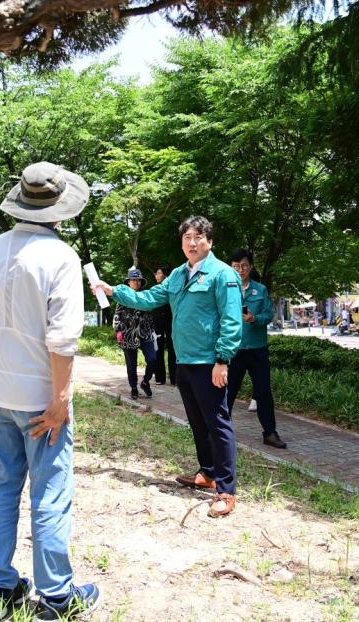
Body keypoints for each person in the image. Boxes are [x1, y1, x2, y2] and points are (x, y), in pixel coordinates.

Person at [0, 161, 101, 622]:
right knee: (50, 492)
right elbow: (62, 341)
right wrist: (61, 401)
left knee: (3, 486)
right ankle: (57, 597)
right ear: (59, 209)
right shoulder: (61, 256)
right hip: (43, 399)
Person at [95, 215, 242, 518]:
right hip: (184, 362)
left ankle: (226, 490)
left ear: (209, 241)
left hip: (209, 363)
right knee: (197, 422)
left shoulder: (222, 274)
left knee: (218, 424)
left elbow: (231, 320)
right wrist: (114, 291)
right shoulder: (178, 275)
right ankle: (208, 472)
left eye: (198, 237)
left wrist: (223, 360)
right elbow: (149, 298)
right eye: (187, 237)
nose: (192, 242)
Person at [227, 249, 286, 449]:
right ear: (231, 268)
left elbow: (269, 315)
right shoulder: (225, 289)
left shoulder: (260, 290)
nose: (240, 269)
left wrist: (255, 319)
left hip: (258, 350)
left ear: (250, 267)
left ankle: (270, 433)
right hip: (234, 350)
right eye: (236, 266)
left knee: (263, 392)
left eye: (244, 265)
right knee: (228, 392)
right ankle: (219, 430)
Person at [113, 267, 157, 400]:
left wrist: (153, 331)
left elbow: (150, 315)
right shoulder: (123, 297)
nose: (136, 282)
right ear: (128, 282)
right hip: (128, 334)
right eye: (133, 280)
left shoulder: (145, 295)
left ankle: (145, 382)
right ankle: (133, 388)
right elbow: (117, 316)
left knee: (153, 359)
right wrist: (118, 331)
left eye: (138, 280)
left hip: (145, 333)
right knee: (131, 363)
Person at [150, 265, 177, 385]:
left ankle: (175, 378)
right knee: (158, 349)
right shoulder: (155, 289)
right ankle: (160, 378)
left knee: (173, 349)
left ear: (166, 275)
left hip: (171, 321)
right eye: (156, 273)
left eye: (159, 273)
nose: (156, 275)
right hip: (157, 321)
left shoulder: (172, 288)